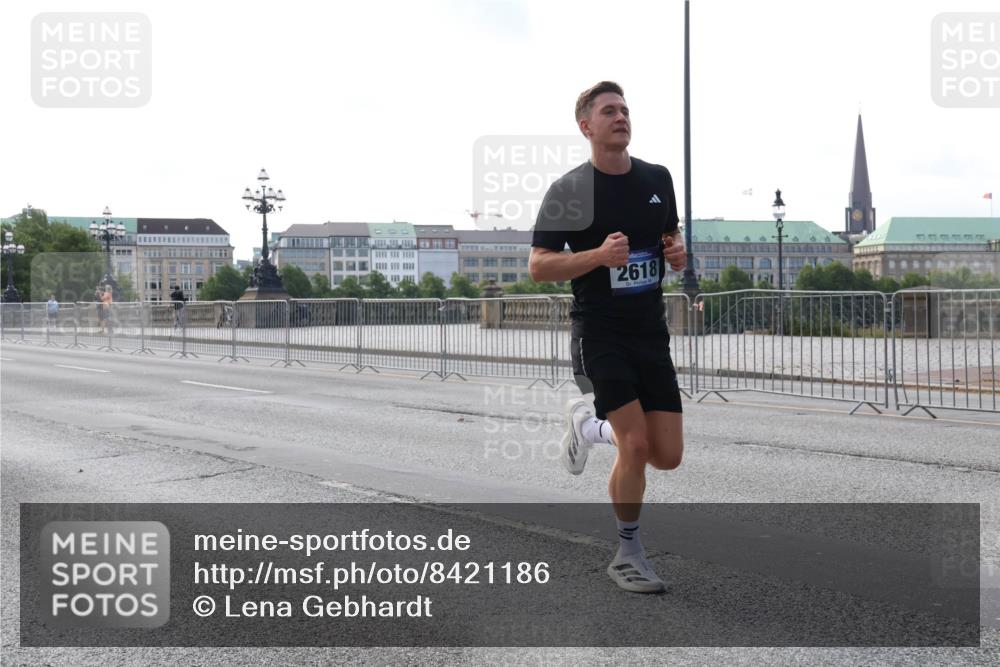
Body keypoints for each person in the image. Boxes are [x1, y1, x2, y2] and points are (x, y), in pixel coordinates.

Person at [529, 81, 688, 594]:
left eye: (624, 109)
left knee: (667, 455)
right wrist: (597, 256)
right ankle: (628, 553)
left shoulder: (657, 178)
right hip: (600, 332)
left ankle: (587, 424)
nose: (620, 116)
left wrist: (675, 252)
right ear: (587, 126)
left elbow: (669, 234)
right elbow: (538, 266)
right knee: (636, 444)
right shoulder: (570, 191)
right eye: (608, 111)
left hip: (650, 332)